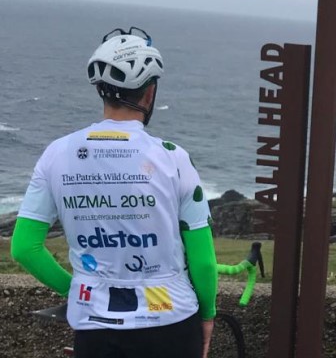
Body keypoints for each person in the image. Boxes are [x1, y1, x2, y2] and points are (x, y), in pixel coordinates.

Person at [10, 27, 218, 358]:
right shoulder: (173, 158)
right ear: (149, 93)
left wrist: (79, 290)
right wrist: (207, 315)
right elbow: (204, 264)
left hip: (96, 326)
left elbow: (24, 248)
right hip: (173, 325)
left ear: (102, 92)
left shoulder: (57, 153)